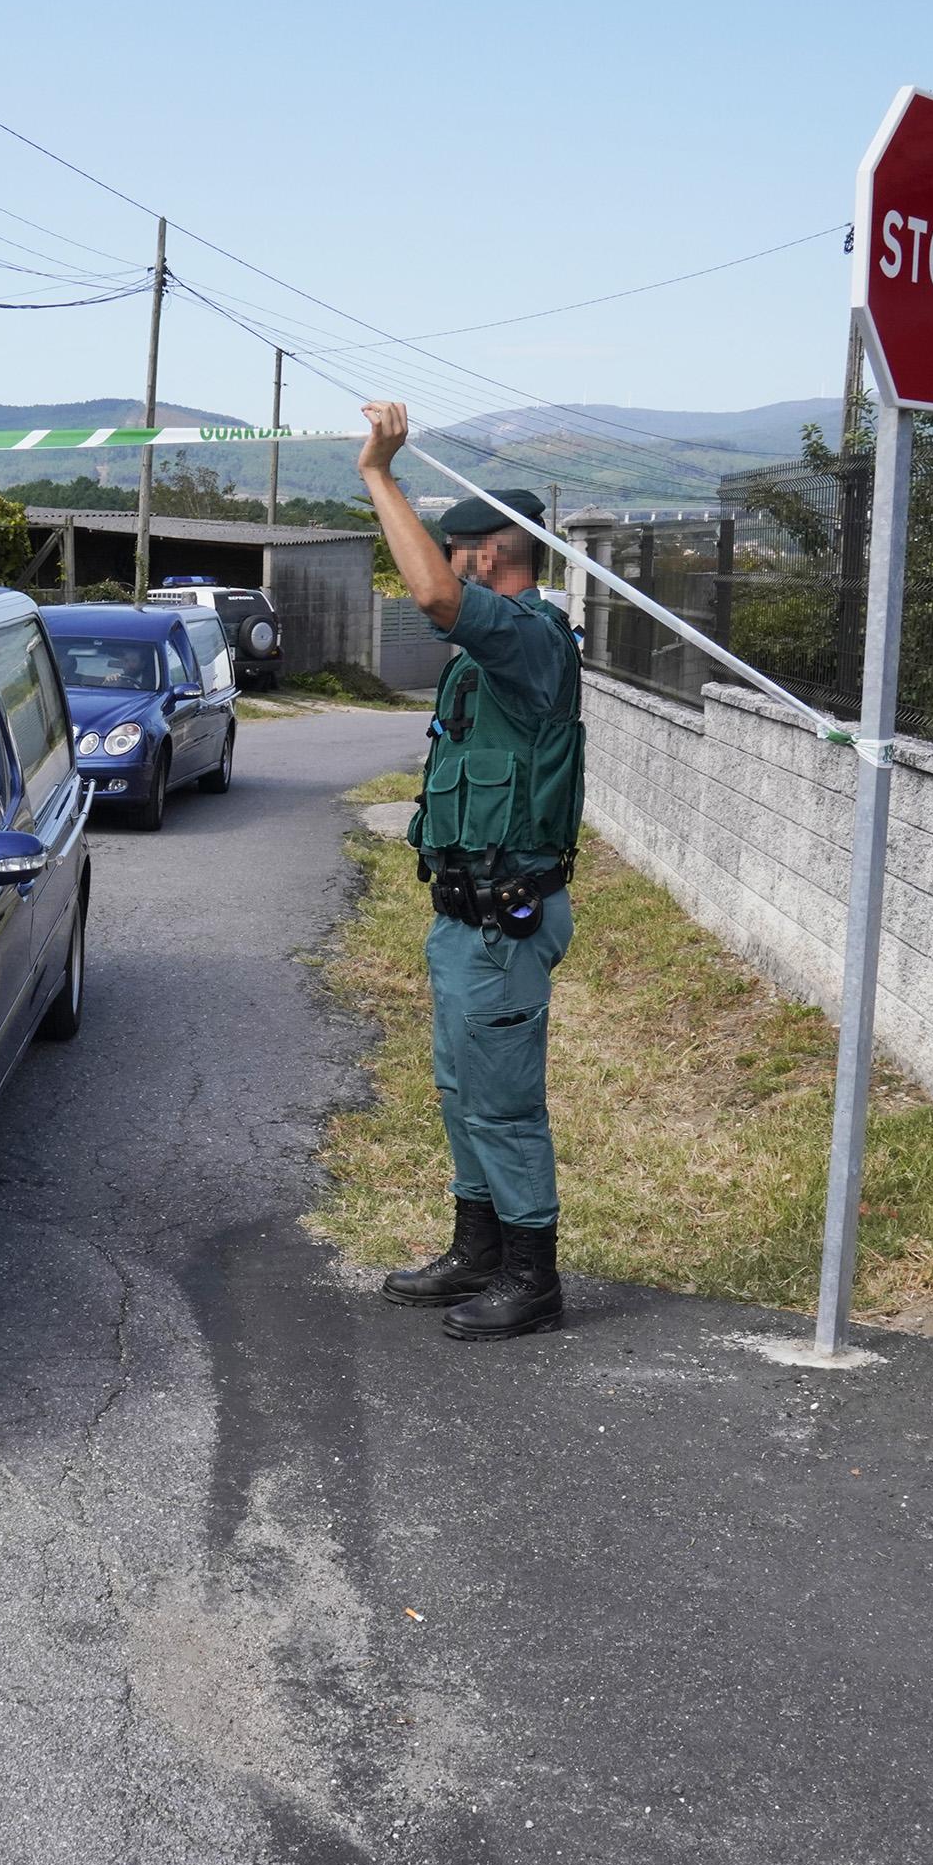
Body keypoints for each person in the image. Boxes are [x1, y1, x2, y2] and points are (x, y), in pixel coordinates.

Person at [356, 402, 585, 1341]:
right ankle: (478, 1249)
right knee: (462, 1089)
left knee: (503, 1101)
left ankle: (533, 1276)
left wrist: (380, 475)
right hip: (464, 918)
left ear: (489, 555)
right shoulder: (484, 663)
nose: (447, 563)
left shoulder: (531, 643)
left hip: (506, 924)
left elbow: (434, 599)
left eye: (457, 548)